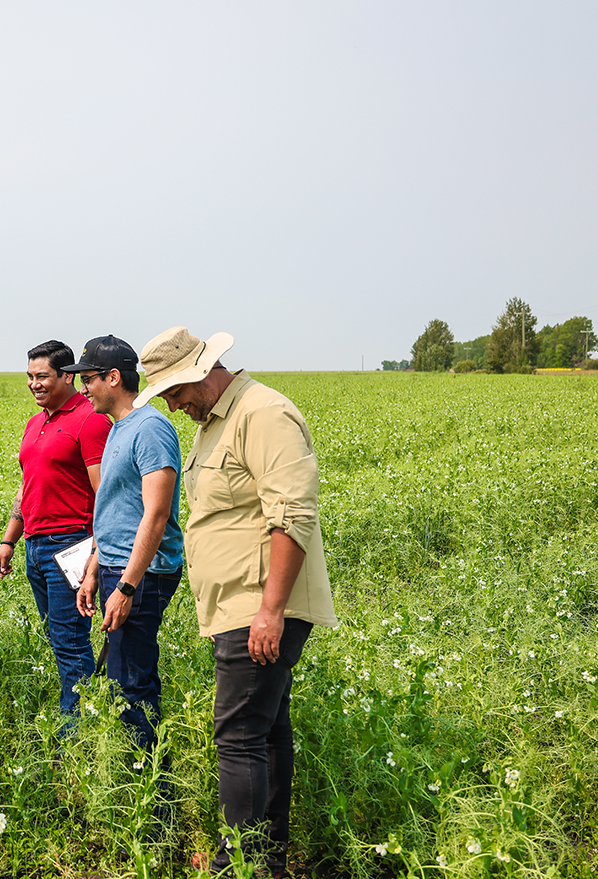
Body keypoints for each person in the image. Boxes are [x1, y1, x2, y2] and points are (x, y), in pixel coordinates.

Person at [136, 326, 338, 876]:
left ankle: (238, 865)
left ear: (203, 372)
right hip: (236, 605)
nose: (173, 404)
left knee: (239, 736)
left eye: (175, 391)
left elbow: (292, 516)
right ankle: (265, 861)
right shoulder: (214, 423)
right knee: (266, 729)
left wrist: (270, 610)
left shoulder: (263, 414)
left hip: (258, 605)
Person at [65, 335, 183, 755]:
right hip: (119, 568)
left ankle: (153, 797)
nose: (84, 388)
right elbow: (115, 510)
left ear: (114, 378)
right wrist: (95, 570)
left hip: (144, 574)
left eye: (90, 379)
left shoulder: (150, 429)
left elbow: (155, 514)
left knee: (131, 686)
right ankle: (141, 781)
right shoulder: (119, 430)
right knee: (122, 679)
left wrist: (127, 588)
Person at [0, 340, 111, 722]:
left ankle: (74, 735)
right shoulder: (36, 423)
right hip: (36, 546)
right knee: (60, 640)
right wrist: (9, 538)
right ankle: (87, 715)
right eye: (29, 376)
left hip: (72, 544)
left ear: (67, 375)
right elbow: (28, 486)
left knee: (71, 643)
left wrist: (96, 552)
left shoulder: (90, 419)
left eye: (42, 376)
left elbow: (104, 493)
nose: (34, 384)